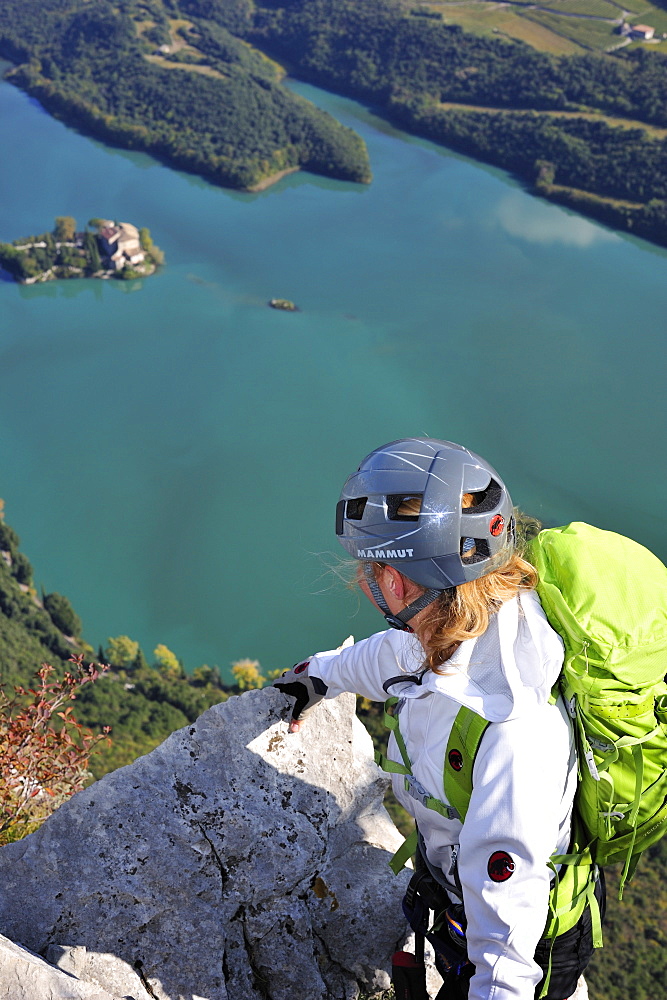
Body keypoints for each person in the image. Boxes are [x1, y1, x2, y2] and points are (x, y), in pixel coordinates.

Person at [274, 437, 601, 1000]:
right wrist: (316, 677)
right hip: (455, 914)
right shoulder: (461, 629)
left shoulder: (514, 737)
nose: (365, 578)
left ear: (396, 583)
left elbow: (506, 956)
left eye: (370, 568)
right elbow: (386, 659)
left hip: (507, 963)